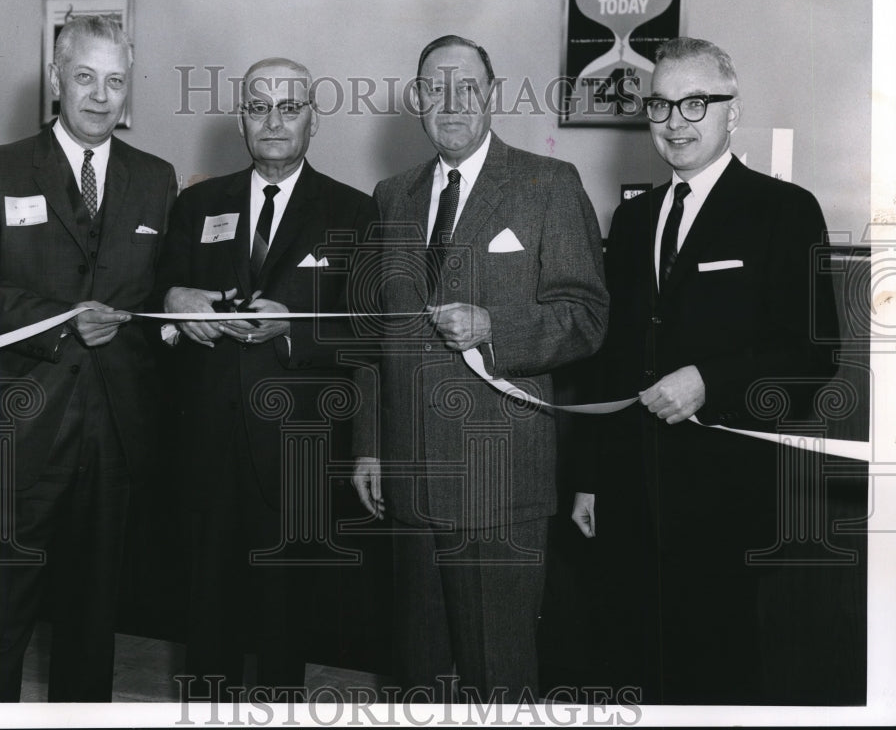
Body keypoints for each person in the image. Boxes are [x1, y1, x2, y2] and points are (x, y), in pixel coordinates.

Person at [572, 37, 840, 703]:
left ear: (731, 111)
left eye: (696, 102)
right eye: (660, 104)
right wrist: (588, 482)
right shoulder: (631, 221)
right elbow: (609, 366)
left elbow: (814, 360)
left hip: (724, 500)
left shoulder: (785, 210)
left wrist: (709, 382)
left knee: (716, 671)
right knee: (631, 662)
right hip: (631, 494)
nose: (675, 121)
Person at [351, 34, 609, 702]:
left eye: (467, 87)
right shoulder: (391, 195)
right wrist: (369, 449)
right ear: (417, 101)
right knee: (420, 676)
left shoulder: (548, 184)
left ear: (492, 96)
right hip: (409, 479)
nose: (452, 102)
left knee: (500, 675)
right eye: (436, 88)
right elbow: (376, 335)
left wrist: (496, 326)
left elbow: (586, 314)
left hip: (501, 481)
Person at [0, 15, 178, 701]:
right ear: (56, 78)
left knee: (91, 628)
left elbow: (152, 299)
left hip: (113, 441)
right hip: (16, 435)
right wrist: (61, 322)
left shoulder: (156, 179)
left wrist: (177, 316)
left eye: (115, 80)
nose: (101, 95)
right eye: (85, 77)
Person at [154, 58, 377, 698]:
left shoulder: (354, 212)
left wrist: (295, 329)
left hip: (298, 455)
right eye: (259, 106)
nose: (273, 121)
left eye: (289, 106)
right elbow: (155, 303)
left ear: (313, 117)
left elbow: (372, 331)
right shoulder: (198, 203)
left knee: (284, 631)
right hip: (205, 450)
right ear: (242, 119)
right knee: (206, 628)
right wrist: (174, 306)